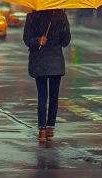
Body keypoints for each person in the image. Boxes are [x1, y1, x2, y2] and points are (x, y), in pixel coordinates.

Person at [23, 9, 71, 142]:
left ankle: (42, 130)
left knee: (42, 96)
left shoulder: (32, 16)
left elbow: (27, 40)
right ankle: (50, 128)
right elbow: (65, 41)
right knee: (54, 97)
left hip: (39, 61)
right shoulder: (60, 15)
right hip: (55, 61)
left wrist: (37, 40)